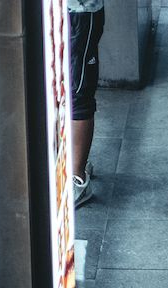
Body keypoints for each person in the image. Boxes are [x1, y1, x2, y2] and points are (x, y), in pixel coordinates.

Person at [68, 0, 104, 206]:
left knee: (78, 93)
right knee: (65, 87)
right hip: (65, 12)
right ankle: (74, 161)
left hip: (81, 14)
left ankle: (78, 178)